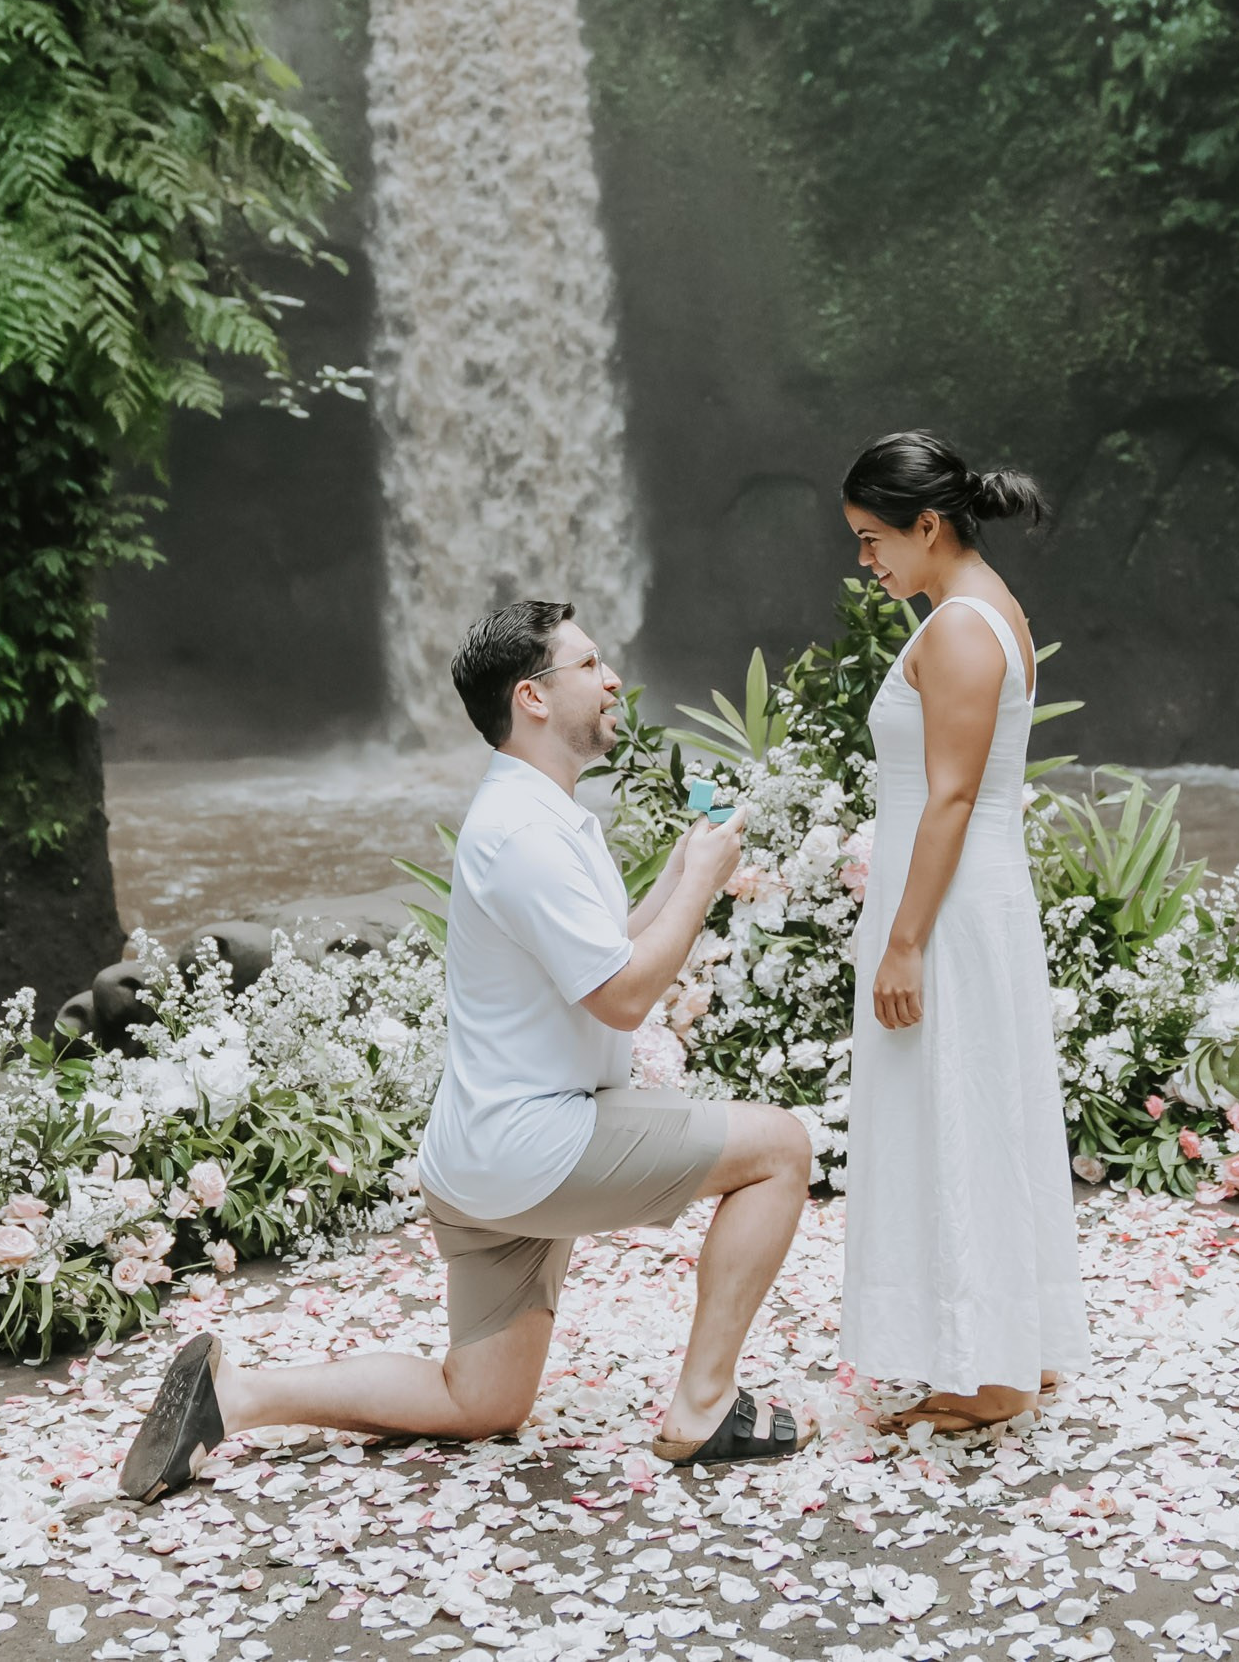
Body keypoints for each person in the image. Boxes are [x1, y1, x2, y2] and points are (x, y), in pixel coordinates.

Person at [119, 601, 819, 1501]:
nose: (613, 680)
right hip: (538, 1145)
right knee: (781, 1148)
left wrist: (687, 872)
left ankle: (235, 1393)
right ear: (533, 697)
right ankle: (705, 1405)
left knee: (482, 1398)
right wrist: (706, 884)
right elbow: (624, 997)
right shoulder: (524, 834)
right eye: (591, 664)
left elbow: (606, 954)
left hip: (483, 1154)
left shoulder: (537, 813)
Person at [838, 430, 1091, 1434]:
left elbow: (949, 796)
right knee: (975, 1103)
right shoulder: (985, 606)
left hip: (946, 907)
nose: (865, 561)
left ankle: (993, 1373)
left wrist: (903, 941)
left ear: (929, 525)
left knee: (959, 1108)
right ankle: (1009, 1341)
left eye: (872, 538)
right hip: (965, 895)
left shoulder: (956, 628)